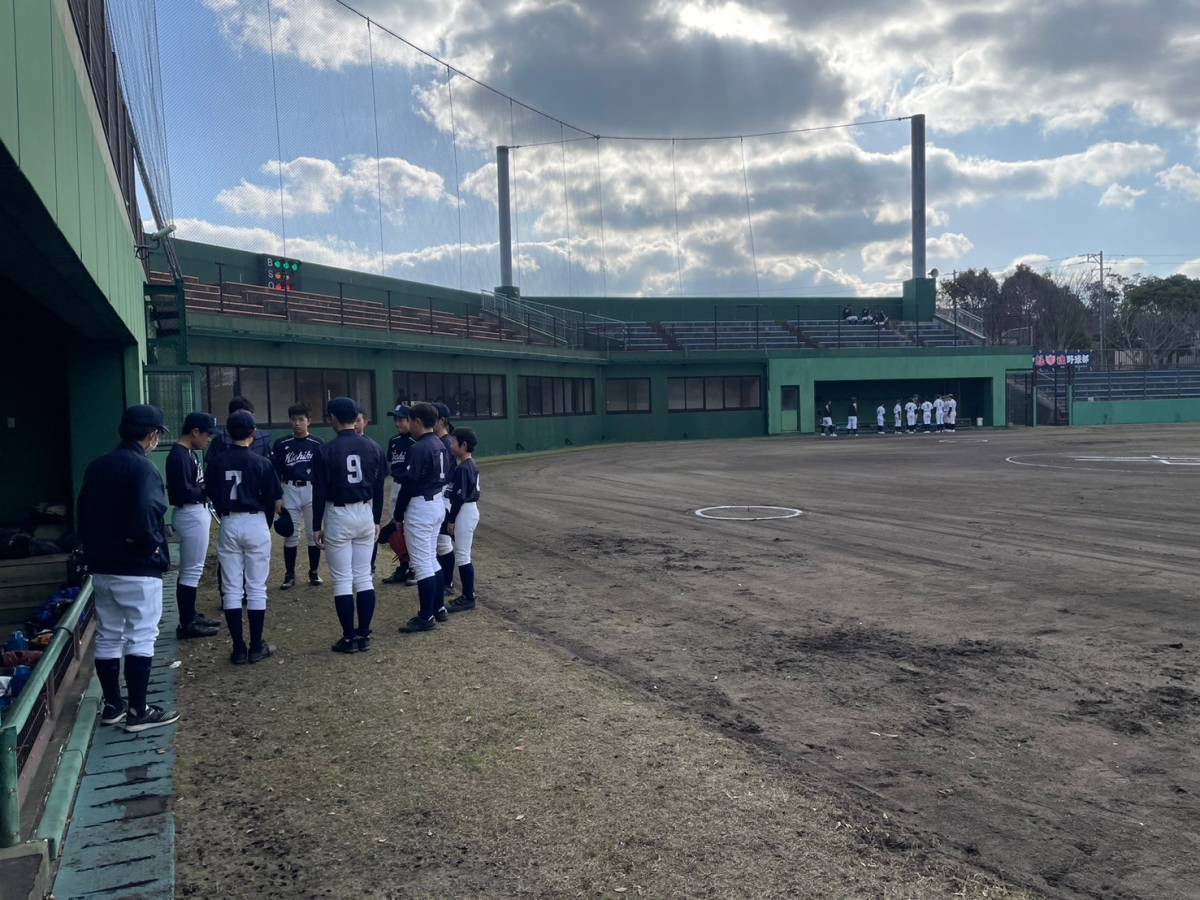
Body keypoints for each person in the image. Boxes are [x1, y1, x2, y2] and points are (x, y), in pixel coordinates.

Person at [77, 405, 179, 732]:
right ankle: (138, 710)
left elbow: (83, 513)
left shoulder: (97, 466)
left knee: (109, 634)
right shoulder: (144, 467)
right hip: (137, 566)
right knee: (141, 635)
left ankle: (113, 706)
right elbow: (147, 510)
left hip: (102, 565)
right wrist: (150, 545)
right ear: (152, 435)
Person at [206, 410, 283, 665]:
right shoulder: (261, 462)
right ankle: (256, 645)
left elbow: (212, 494)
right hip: (255, 521)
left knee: (231, 588)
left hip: (229, 521)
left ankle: (238, 648)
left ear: (228, 433)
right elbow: (274, 500)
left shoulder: (216, 461)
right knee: (256, 587)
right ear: (253, 433)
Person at [314, 398, 387, 654]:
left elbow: (319, 492)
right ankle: (364, 634)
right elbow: (379, 489)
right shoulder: (374, 447)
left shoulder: (324, 450)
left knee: (343, 580)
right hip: (365, 511)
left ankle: (348, 638)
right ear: (356, 417)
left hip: (338, 513)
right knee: (364, 576)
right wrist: (376, 519)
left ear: (334, 418)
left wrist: (316, 524)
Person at [396, 402, 450, 634]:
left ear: (417, 421)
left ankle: (426, 616)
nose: (409, 424)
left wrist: (398, 513)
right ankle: (438, 608)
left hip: (421, 506)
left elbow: (408, 484)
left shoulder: (419, 447)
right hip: (436, 502)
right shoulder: (440, 442)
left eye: (410, 420)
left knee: (422, 564)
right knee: (430, 559)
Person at [166, 412, 220, 640]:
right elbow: (182, 492)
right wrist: (207, 491)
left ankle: (191, 615)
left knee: (192, 569)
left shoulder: (188, 453)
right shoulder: (179, 455)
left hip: (195, 512)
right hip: (189, 512)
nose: (208, 439)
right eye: (206, 434)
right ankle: (187, 622)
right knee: (191, 570)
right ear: (195, 431)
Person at [272, 404, 324, 590]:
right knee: (290, 534)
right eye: (294, 419)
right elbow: (275, 472)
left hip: (311, 489)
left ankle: (314, 572)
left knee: (313, 533)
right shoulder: (281, 444)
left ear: (309, 421)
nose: (297, 423)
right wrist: (277, 496)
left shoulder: (318, 444)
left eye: (301, 419)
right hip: (289, 489)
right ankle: (289, 574)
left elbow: (323, 472)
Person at [445, 428, 481, 614]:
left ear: (464, 445)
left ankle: (469, 597)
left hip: (464, 511)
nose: (451, 445)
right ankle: (468, 595)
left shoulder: (463, 468)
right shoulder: (471, 465)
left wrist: (451, 520)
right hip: (469, 510)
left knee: (463, 555)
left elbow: (459, 498)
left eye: (454, 442)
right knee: (462, 554)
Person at [382, 404, 416, 586]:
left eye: (401, 419)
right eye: (395, 419)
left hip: (409, 488)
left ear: (411, 420)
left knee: (409, 528)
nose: (397, 423)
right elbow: (390, 464)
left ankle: (414, 568)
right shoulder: (393, 440)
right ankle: (404, 566)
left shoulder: (416, 441)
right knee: (396, 528)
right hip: (396, 486)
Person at [432, 402, 457, 591]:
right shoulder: (439, 441)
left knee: (443, 542)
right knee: (440, 542)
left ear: (441, 420)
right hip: (440, 497)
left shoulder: (447, 443)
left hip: (445, 497)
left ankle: (447, 582)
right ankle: (444, 581)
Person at [206, 397, 272, 463]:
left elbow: (269, 464)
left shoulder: (263, 438)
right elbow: (212, 464)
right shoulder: (220, 439)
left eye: (248, 416)